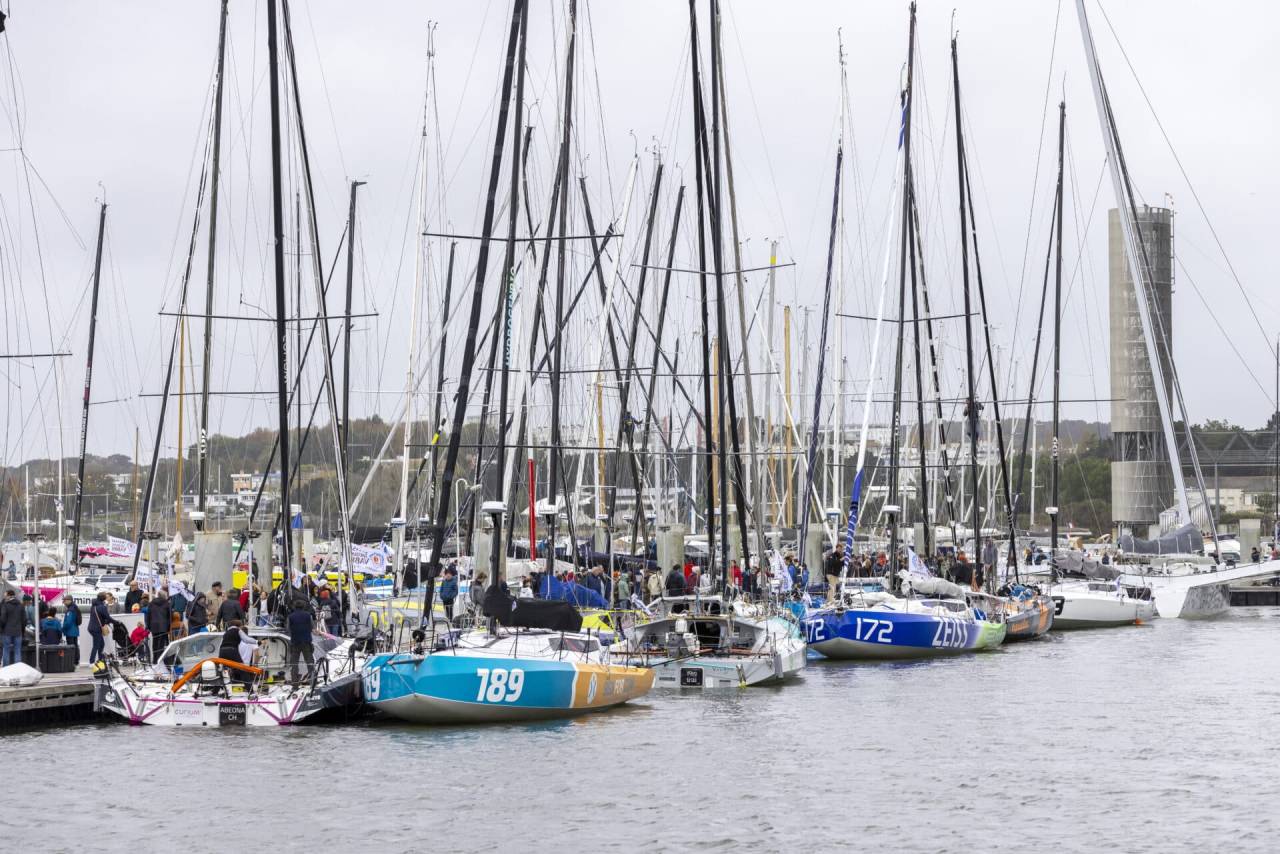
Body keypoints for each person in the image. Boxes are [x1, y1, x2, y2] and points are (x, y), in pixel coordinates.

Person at [286, 599, 315, 683]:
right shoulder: (308, 615)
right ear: (304, 607)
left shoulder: (290, 617)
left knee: (294, 664)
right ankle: (312, 682)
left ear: (294, 607)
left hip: (295, 642)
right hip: (306, 642)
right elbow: (312, 627)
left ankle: (295, 684)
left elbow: (288, 629)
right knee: (310, 663)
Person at [87, 592, 116, 664]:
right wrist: (116, 622)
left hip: (92, 627)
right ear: (103, 598)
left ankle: (100, 659)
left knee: (101, 644)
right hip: (96, 629)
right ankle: (91, 662)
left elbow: (99, 617)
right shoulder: (102, 607)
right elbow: (108, 617)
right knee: (96, 645)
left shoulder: (93, 606)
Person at [1, 589, 26, 666]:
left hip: (7, 631)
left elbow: (2, 619)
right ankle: (17, 669)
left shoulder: (5, 605)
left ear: (9, 596)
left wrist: (2, 628)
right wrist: (22, 629)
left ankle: (6, 668)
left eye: (5, 595)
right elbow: (24, 619)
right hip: (18, 631)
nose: (5, 597)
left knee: (6, 650)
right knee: (17, 650)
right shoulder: (21, 605)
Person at [147, 592, 173, 663]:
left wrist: (148, 626)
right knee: (162, 644)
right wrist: (169, 627)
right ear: (164, 596)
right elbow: (170, 616)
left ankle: (155, 660)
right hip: (164, 626)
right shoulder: (167, 604)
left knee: (155, 643)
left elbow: (148, 615)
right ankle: (160, 660)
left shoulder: (151, 603)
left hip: (153, 626)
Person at [61, 595, 81, 664]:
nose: (64, 602)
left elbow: (68, 622)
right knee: (75, 646)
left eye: (65, 601)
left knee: (71, 647)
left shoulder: (70, 610)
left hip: (70, 631)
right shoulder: (74, 607)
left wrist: (63, 628)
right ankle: (76, 660)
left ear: (69, 600)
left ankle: (72, 661)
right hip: (74, 631)